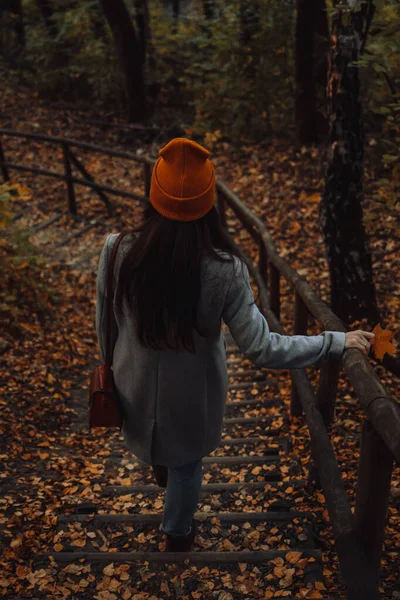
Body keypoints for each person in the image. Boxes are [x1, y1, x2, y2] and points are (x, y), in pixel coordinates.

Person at [95, 137, 375, 552]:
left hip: (133, 389)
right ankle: (177, 533)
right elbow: (262, 347)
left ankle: (161, 465)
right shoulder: (224, 269)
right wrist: (334, 341)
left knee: (168, 454)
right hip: (192, 403)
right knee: (187, 466)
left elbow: (105, 324)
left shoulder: (117, 249)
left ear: (153, 194)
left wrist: (111, 369)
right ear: (210, 205)